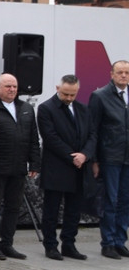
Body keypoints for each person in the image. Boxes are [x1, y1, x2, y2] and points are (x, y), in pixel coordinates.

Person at [0, 73, 40, 260]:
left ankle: (7, 244)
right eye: (7, 86)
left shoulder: (26, 108)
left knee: (14, 207)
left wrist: (35, 162)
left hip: (19, 167)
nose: (12, 89)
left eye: (14, 86)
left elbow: (33, 139)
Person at [37, 75, 96, 260]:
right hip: (57, 167)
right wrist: (73, 157)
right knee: (52, 210)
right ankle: (51, 245)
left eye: (73, 94)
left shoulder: (83, 109)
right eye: (65, 94)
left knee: (74, 209)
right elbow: (51, 137)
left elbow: (93, 135)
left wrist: (85, 155)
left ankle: (69, 244)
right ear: (57, 88)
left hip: (79, 167)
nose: (69, 98)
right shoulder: (46, 108)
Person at [88, 60, 129, 259]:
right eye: (120, 72)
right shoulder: (100, 96)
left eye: (127, 73)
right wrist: (94, 159)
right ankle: (108, 242)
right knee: (110, 200)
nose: (123, 76)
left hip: (127, 157)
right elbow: (93, 129)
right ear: (111, 74)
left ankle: (121, 241)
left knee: (125, 200)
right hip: (110, 156)